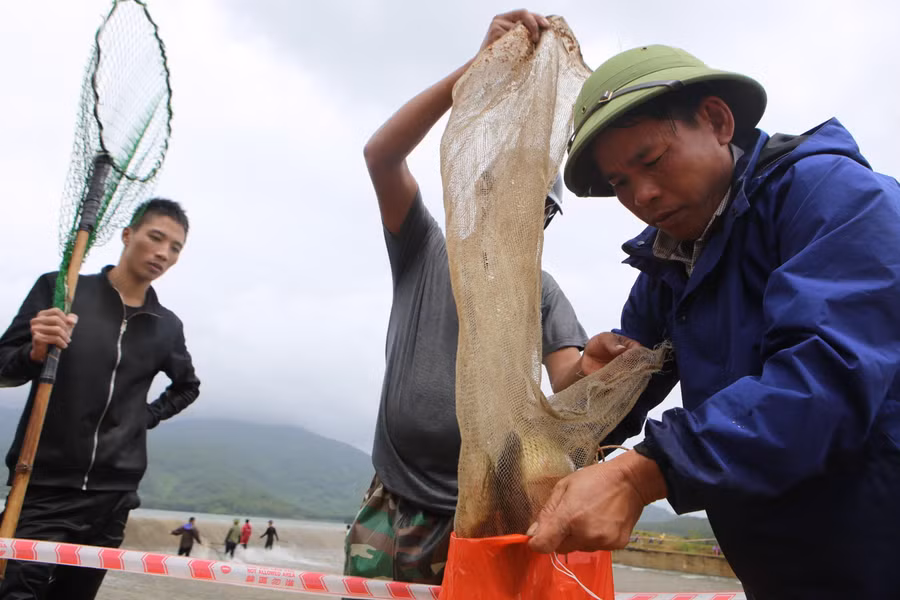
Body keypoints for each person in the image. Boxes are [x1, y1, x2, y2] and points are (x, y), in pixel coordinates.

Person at [527, 44, 900, 599]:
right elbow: (612, 409)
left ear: (718, 121)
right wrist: (596, 385)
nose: (642, 196)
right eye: (620, 184)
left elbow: (827, 379)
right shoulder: (667, 270)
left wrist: (641, 473)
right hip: (780, 570)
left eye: (651, 161)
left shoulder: (833, 199)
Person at [344, 10, 603, 586]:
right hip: (392, 499)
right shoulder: (425, 249)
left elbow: (569, 379)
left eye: (535, 204)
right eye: (500, 188)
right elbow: (381, 155)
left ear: (545, 219)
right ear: (475, 188)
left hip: (482, 513)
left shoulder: (542, 291)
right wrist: (475, 69)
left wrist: (601, 366)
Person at [0, 198, 200, 600]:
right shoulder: (63, 289)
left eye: (175, 247)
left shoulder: (167, 326)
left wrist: (142, 417)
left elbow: (187, 386)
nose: (163, 253)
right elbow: (4, 367)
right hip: (41, 484)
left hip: (112, 498)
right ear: (128, 236)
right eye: (155, 238)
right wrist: (35, 351)